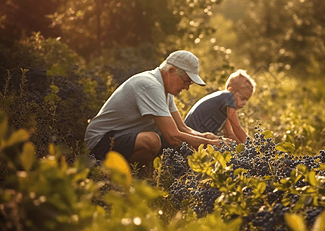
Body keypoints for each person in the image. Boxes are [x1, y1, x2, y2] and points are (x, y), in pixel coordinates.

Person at [84, 50, 224, 169]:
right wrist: (210, 144)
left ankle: (140, 176)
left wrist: (205, 137)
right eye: (186, 81)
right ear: (171, 71)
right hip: (100, 142)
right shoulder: (150, 86)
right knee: (152, 141)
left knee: (160, 139)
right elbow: (173, 136)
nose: (187, 87)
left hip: (121, 137)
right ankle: (121, 177)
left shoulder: (165, 91)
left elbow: (182, 128)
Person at [184, 69, 255, 144]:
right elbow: (236, 127)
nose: (244, 103)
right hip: (192, 135)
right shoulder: (229, 96)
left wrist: (242, 147)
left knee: (225, 144)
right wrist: (253, 145)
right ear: (231, 90)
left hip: (194, 136)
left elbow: (229, 134)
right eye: (242, 98)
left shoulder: (223, 107)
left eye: (246, 100)